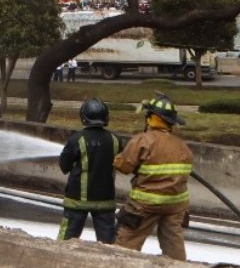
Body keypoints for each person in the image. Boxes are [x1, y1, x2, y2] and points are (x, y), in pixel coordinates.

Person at [114, 93, 194, 261]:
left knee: (125, 245)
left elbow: (124, 167)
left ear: (150, 118)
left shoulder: (143, 141)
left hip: (145, 205)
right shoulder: (182, 146)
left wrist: (116, 157)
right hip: (175, 206)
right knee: (174, 247)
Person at [58, 98, 120, 244]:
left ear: (84, 117)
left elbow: (64, 167)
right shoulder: (115, 140)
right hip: (106, 201)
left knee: (64, 242)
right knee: (108, 246)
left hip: (77, 201)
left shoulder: (76, 140)